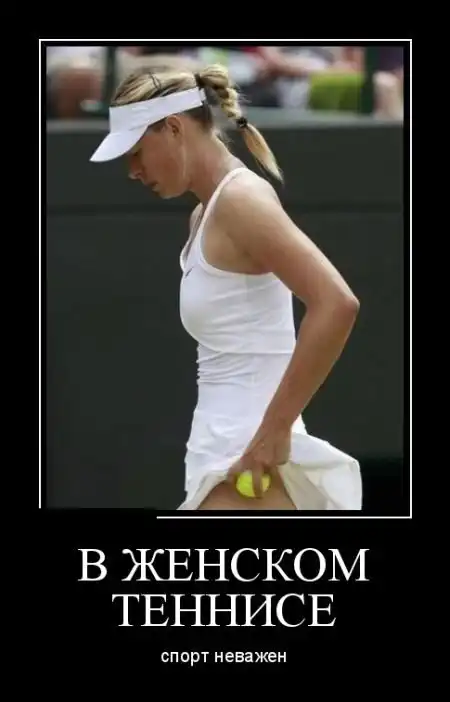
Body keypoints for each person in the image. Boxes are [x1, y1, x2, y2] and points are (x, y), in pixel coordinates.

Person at [89, 64, 362, 511]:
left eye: (136, 152)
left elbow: (336, 303)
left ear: (173, 128)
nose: (133, 170)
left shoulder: (240, 200)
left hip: (246, 461)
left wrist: (272, 433)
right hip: (223, 455)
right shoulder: (204, 215)